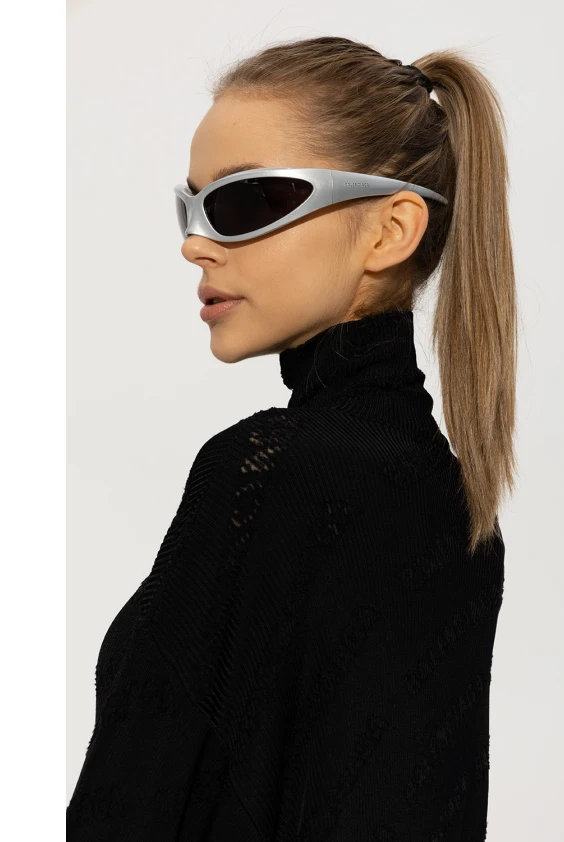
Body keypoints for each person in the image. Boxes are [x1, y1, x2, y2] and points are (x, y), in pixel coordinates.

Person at [67, 35, 517, 841]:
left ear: (389, 230)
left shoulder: (267, 473)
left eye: (244, 202)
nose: (194, 242)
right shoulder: (457, 504)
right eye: (191, 206)